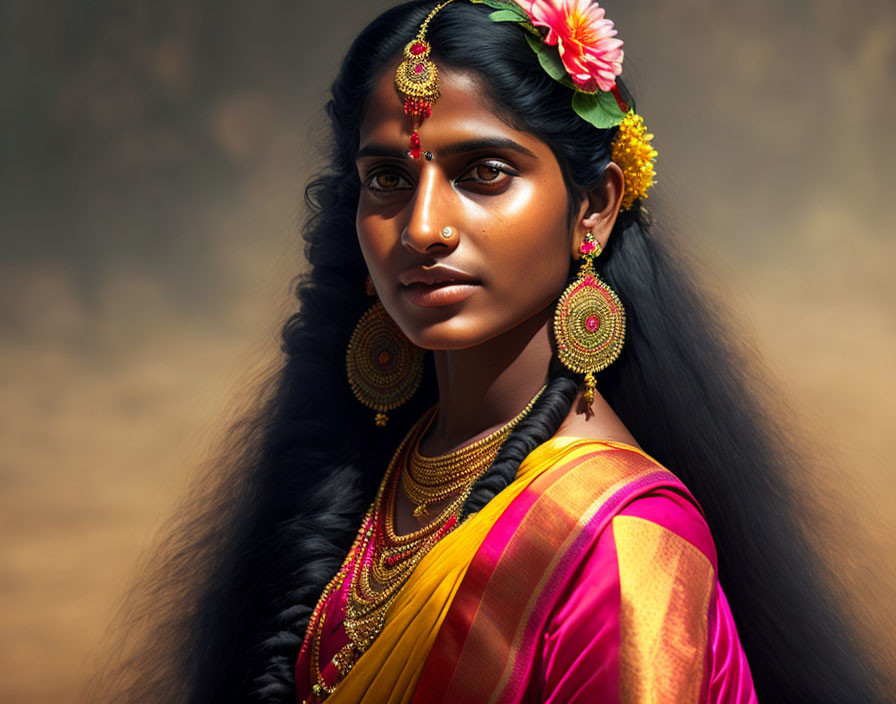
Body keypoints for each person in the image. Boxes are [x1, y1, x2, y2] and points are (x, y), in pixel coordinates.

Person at [88, 1, 886, 702]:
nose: (424, 227)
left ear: (596, 207)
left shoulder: (619, 546)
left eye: (485, 172)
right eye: (389, 180)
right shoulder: (384, 472)